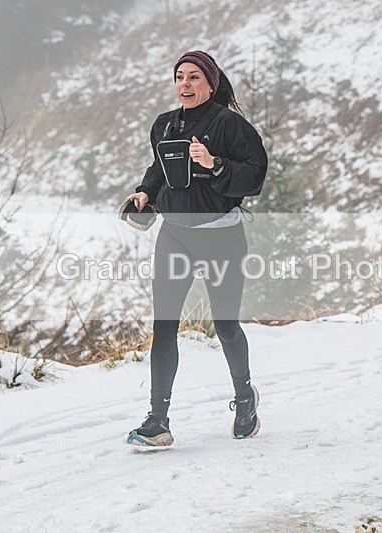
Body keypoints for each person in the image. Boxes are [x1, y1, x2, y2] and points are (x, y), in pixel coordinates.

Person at [125, 50, 268, 447]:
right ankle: (158, 420)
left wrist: (216, 163)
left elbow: (254, 177)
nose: (184, 85)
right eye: (179, 77)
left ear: (211, 83)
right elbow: (158, 171)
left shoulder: (231, 125)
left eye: (193, 78)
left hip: (221, 236)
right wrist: (143, 196)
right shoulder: (165, 125)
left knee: (224, 325)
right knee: (164, 327)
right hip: (174, 237)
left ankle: (245, 400)